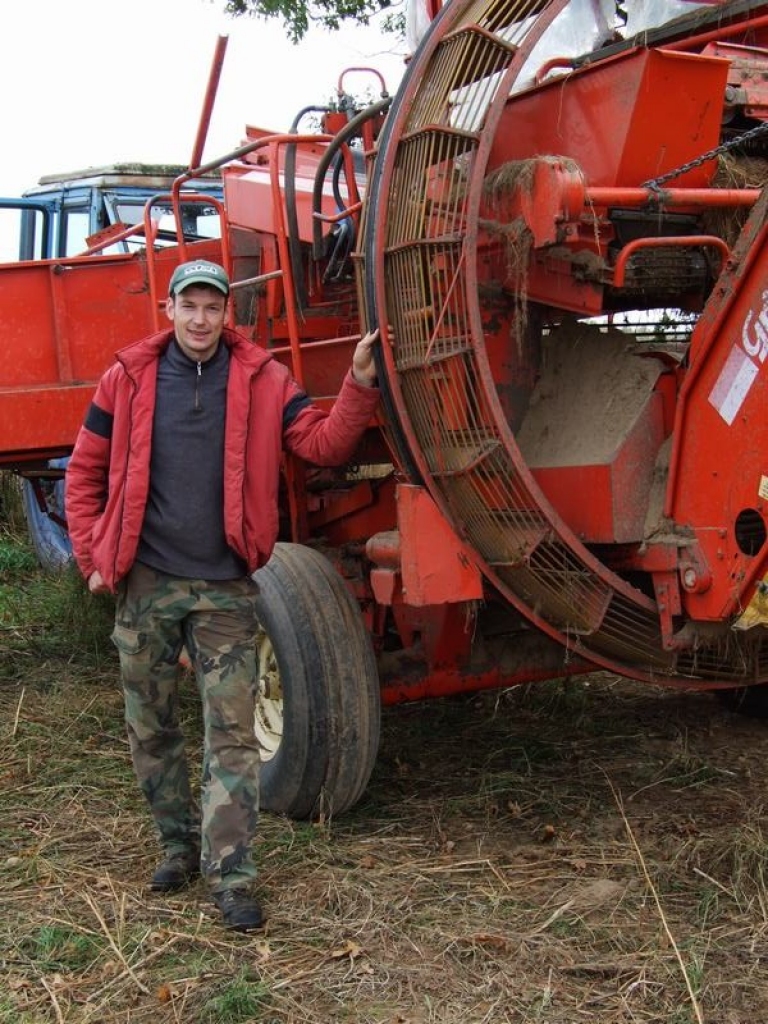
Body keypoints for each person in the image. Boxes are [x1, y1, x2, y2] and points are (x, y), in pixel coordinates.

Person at [65, 258, 380, 932]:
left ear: (226, 313)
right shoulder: (126, 379)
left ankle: (232, 874)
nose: (202, 319)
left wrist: (359, 383)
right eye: (191, 306)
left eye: (214, 307)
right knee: (151, 727)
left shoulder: (264, 380)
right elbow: (85, 471)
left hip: (224, 589)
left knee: (232, 734)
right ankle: (177, 847)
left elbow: (321, 445)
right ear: (169, 309)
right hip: (146, 581)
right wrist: (94, 557)